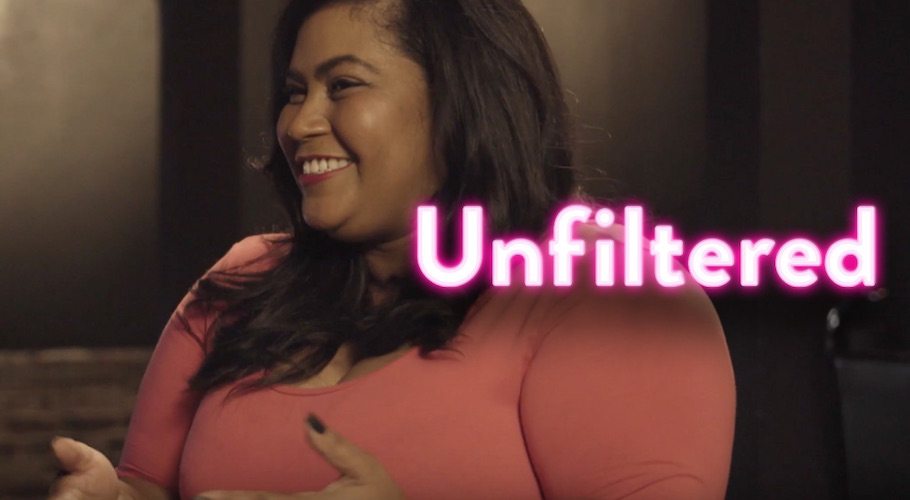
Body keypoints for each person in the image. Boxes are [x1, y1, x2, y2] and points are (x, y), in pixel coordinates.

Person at [49, 0, 736, 498]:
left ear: (462, 101)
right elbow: (152, 487)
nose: (299, 122)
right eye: (295, 92)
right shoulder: (241, 281)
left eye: (343, 85)